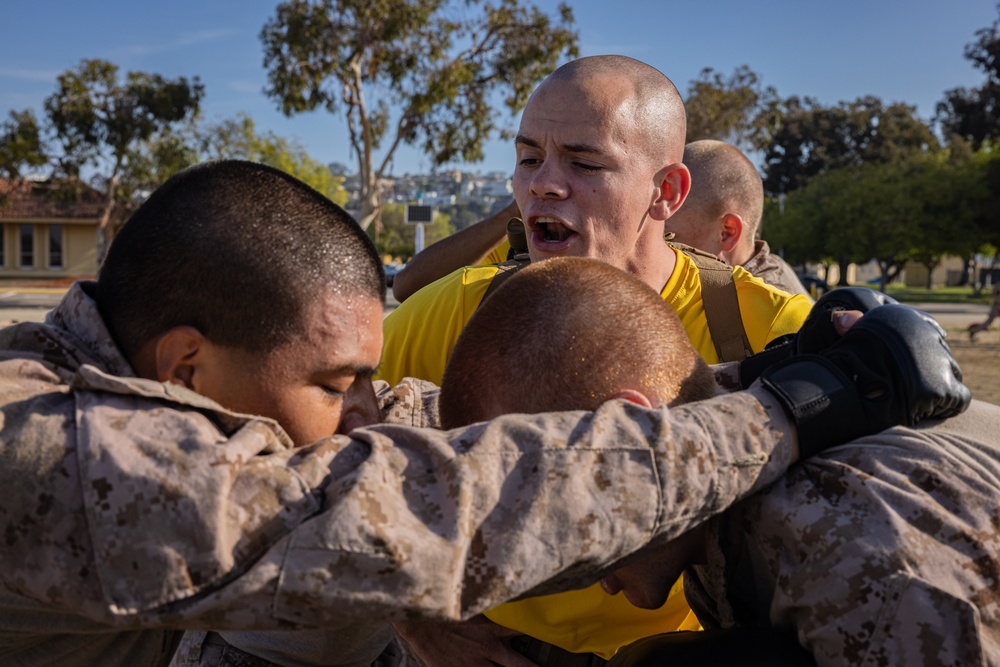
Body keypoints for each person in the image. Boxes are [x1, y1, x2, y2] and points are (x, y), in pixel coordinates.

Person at [1, 159, 960, 667]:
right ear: (187, 366)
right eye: (334, 385)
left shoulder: (133, 388)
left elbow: (415, 428)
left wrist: (739, 374)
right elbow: (376, 513)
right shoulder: (46, 450)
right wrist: (786, 410)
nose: (363, 415)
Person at [377, 54, 813, 658]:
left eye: (584, 164)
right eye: (528, 158)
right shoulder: (457, 310)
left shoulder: (770, 328)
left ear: (666, 192)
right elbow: (317, 441)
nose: (543, 184)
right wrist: (411, 614)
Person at [410, 257, 991, 667]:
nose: (577, 568)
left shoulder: (845, 550)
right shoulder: (724, 466)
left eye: (560, 515)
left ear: (628, 435)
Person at [664, 140, 810, 298]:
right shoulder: (736, 291)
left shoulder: (768, 306)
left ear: (727, 233)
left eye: (669, 237)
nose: (657, 249)